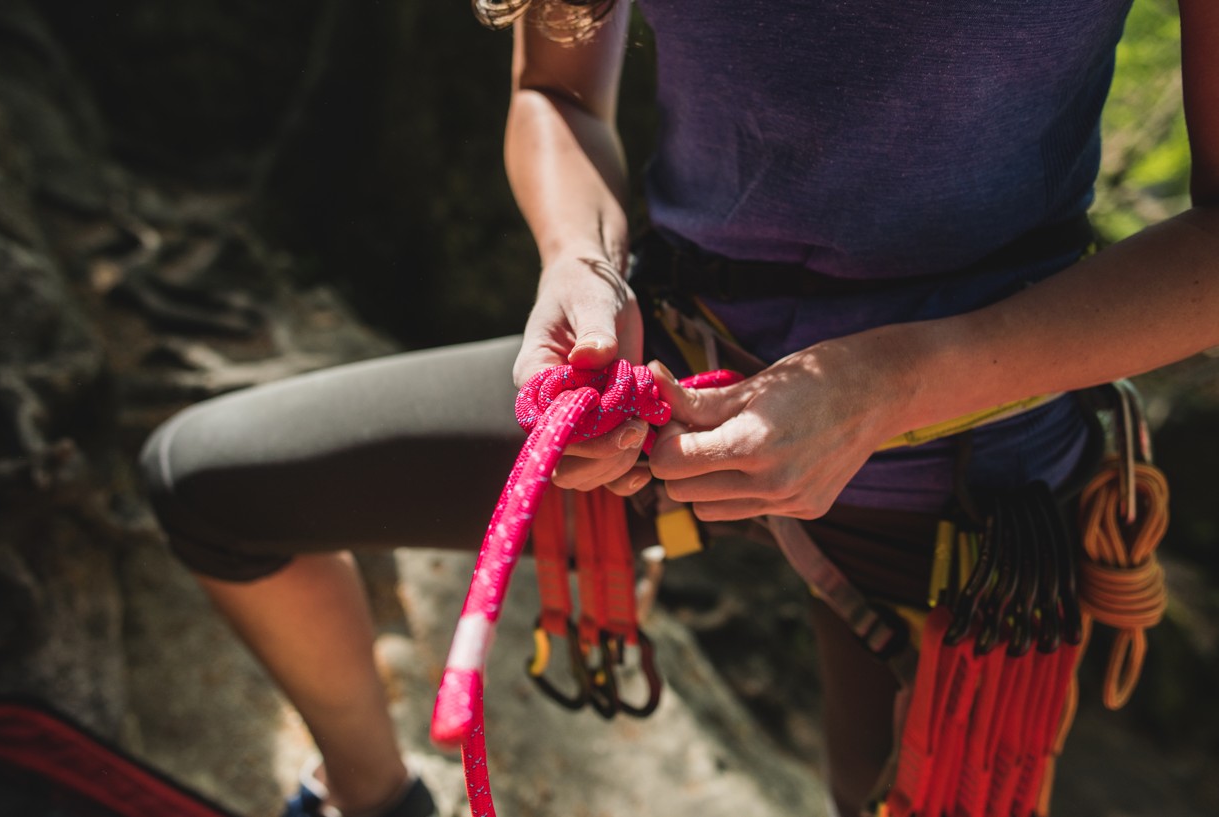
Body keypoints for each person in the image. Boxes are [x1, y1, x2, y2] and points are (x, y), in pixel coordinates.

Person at [140, 1, 1219, 816]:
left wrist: (890, 384)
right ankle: (371, 798)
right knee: (211, 484)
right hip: (662, 372)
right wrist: (578, 259)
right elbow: (555, 92)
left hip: (964, 451)